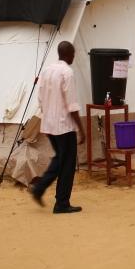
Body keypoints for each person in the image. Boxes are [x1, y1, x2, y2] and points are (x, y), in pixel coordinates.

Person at [30, 41, 86, 214]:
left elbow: (40, 98)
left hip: (49, 124)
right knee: (67, 163)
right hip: (64, 125)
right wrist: (81, 129)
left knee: (60, 159)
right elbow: (72, 104)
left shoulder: (47, 71)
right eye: (73, 54)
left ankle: (40, 189)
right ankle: (61, 203)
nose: (74, 57)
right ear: (68, 55)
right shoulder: (67, 73)